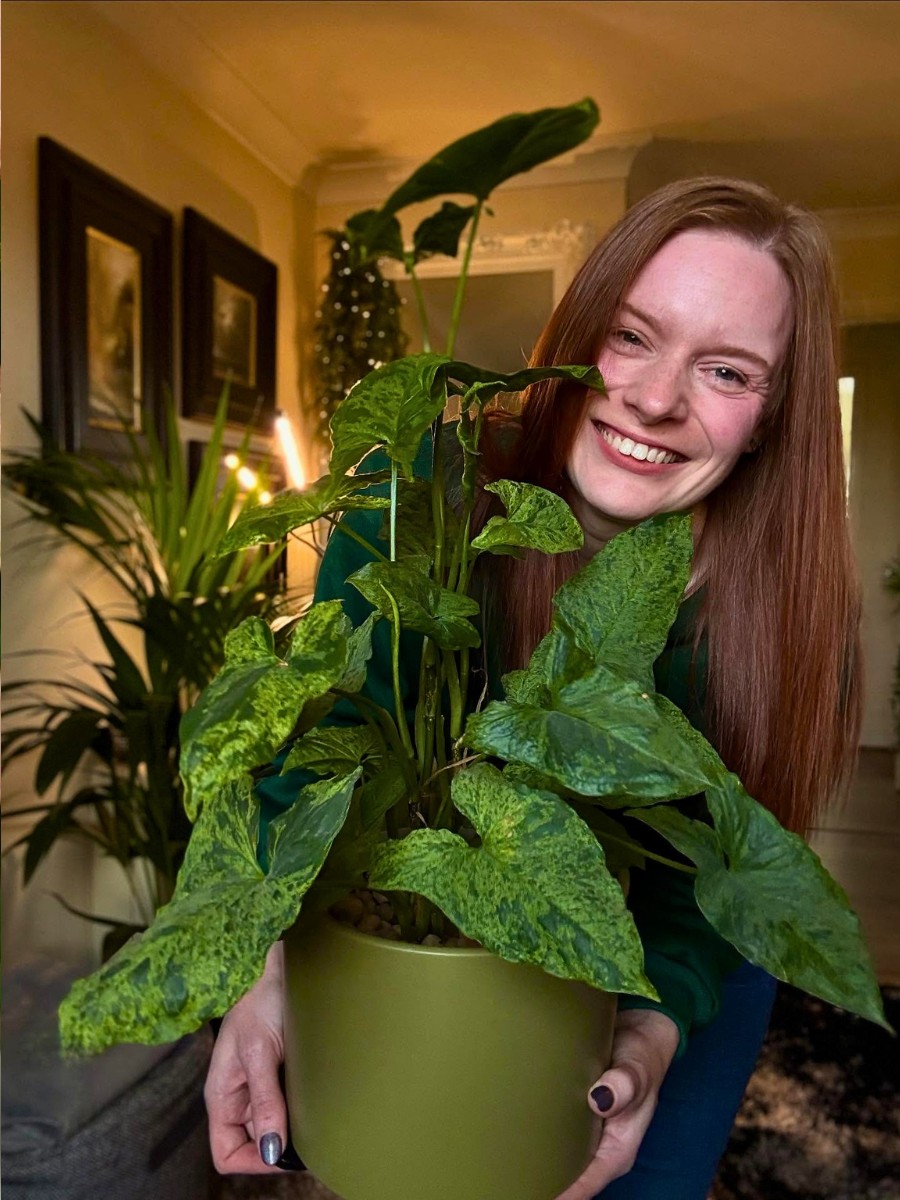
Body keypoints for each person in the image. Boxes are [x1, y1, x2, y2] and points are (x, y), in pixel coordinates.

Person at [204, 178, 862, 1199]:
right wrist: (262, 966)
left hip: (676, 958)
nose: (654, 398)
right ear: (576, 329)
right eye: (631, 336)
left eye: (727, 370)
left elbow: (718, 875)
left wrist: (650, 1029)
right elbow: (317, 766)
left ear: (770, 418)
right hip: (428, 951)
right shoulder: (423, 498)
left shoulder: (776, 606)